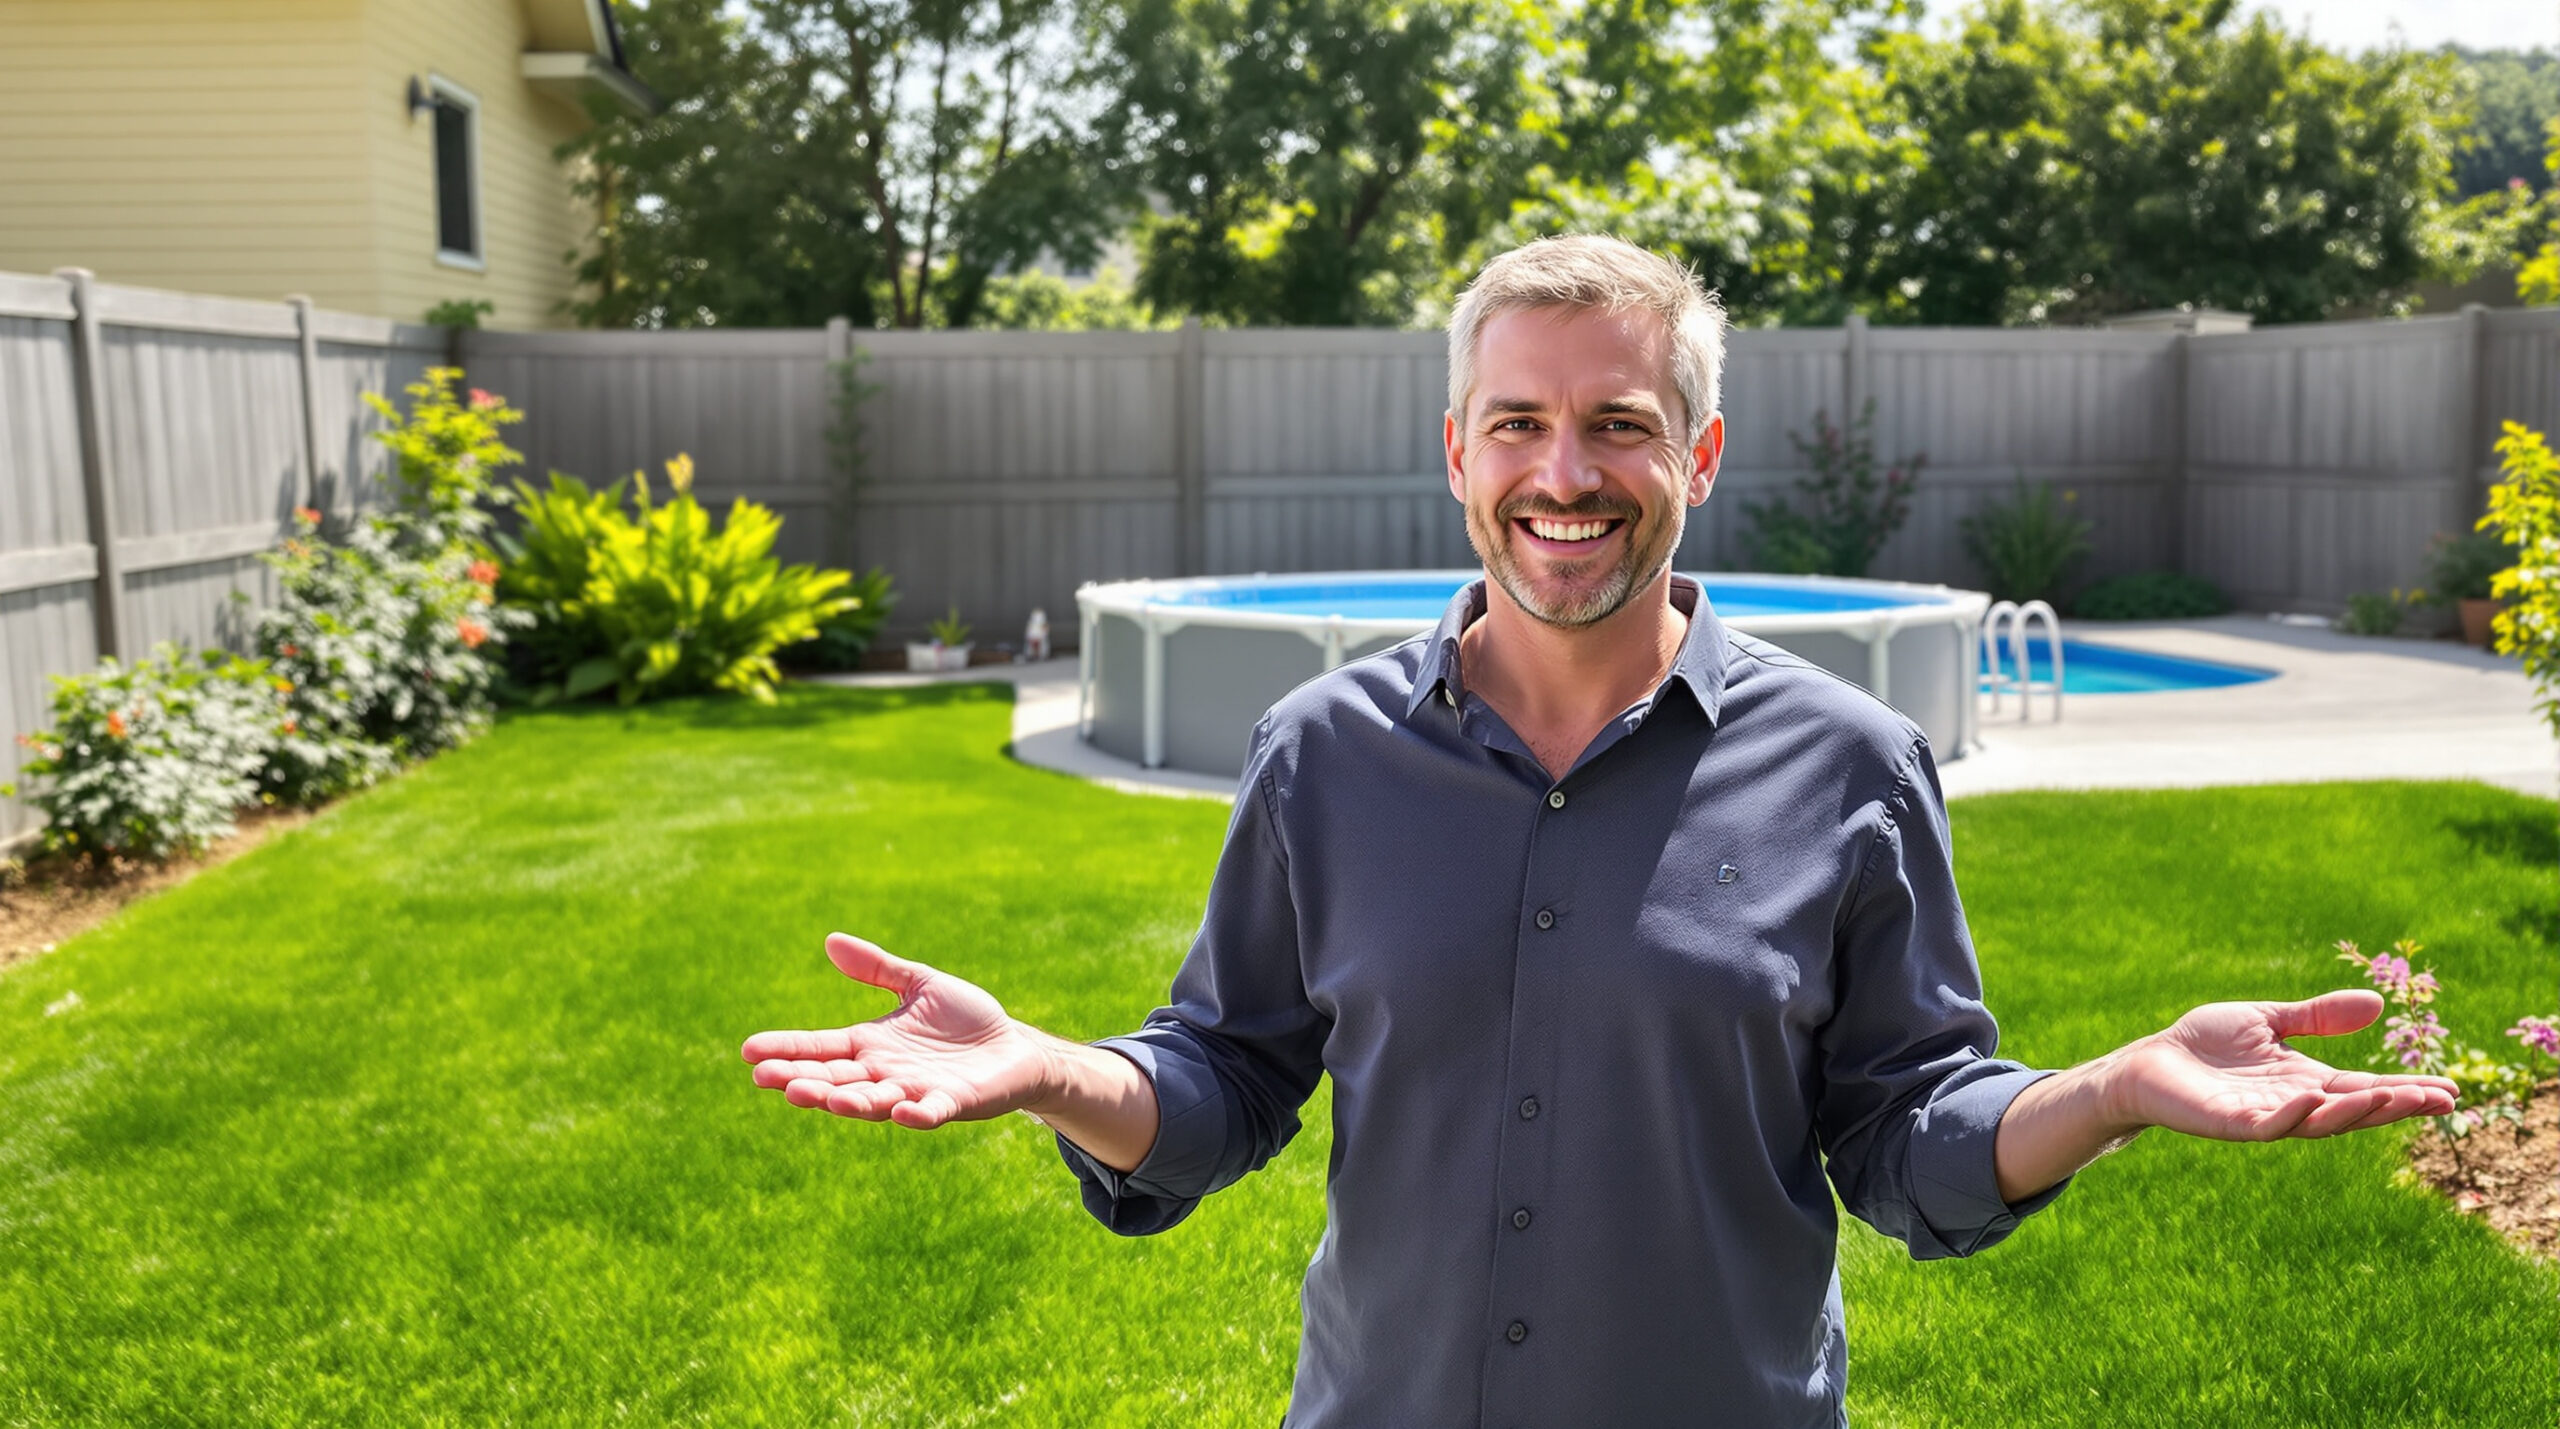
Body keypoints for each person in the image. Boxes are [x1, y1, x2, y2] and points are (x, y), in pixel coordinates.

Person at [741, 235, 2460, 1428]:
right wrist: (1053, 1068)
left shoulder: (1853, 766)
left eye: (1619, 424)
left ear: (1695, 453)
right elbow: (1221, 1087)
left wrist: (2116, 1088)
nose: (1566, 472)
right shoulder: (1319, 752)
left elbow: (1908, 1138)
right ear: (1458, 451)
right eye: (1523, 423)